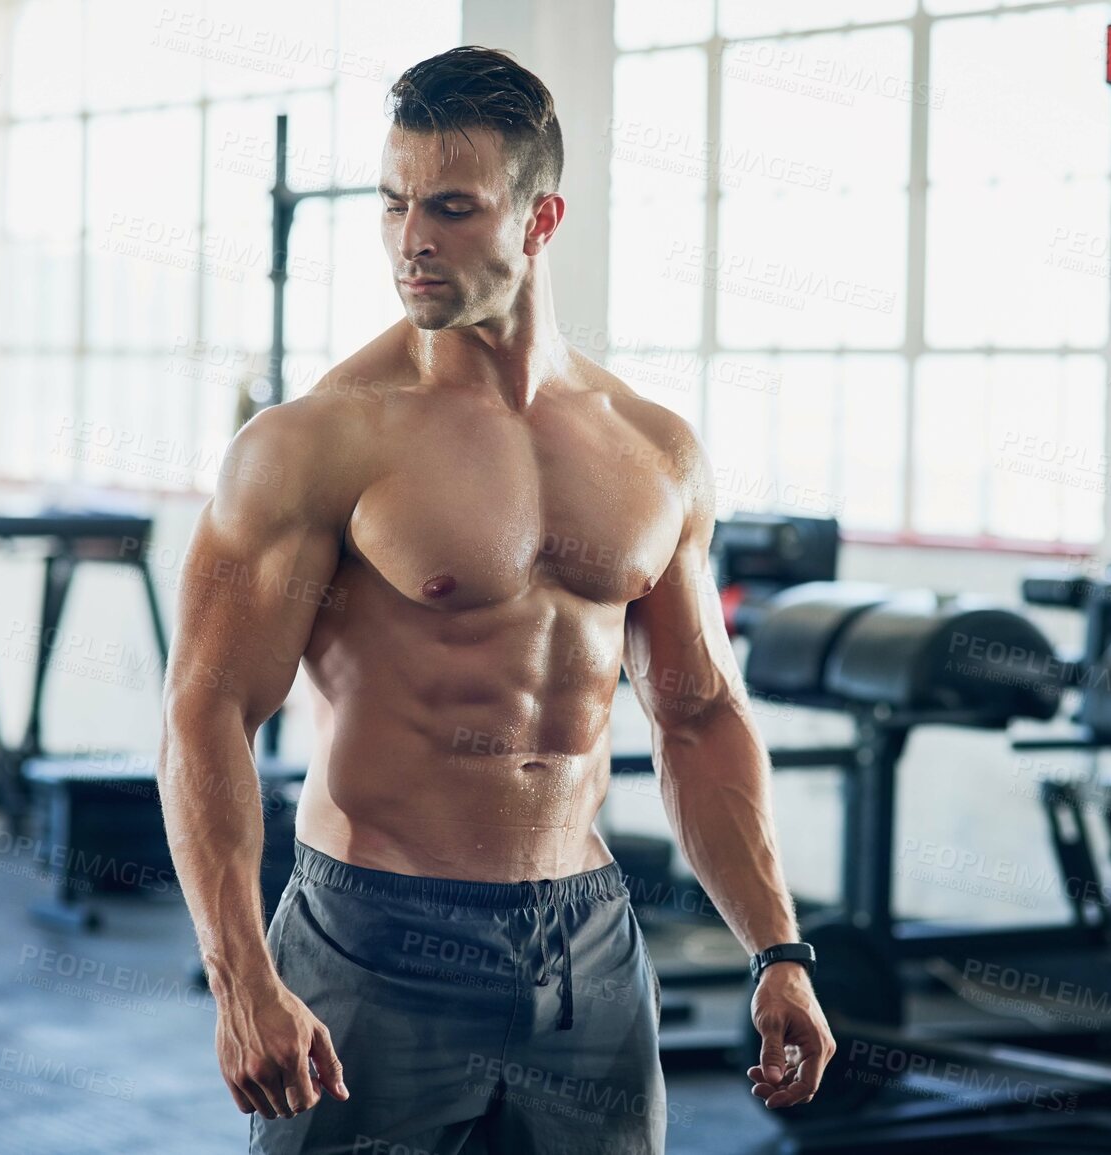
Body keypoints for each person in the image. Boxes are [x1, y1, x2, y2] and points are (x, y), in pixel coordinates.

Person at [158, 45, 834, 1155]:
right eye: (393, 203)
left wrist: (778, 950)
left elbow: (699, 716)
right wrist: (242, 979)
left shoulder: (654, 450)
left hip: (590, 948)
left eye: (454, 207)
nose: (411, 237)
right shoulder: (315, 445)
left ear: (540, 217)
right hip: (376, 938)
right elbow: (205, 712)